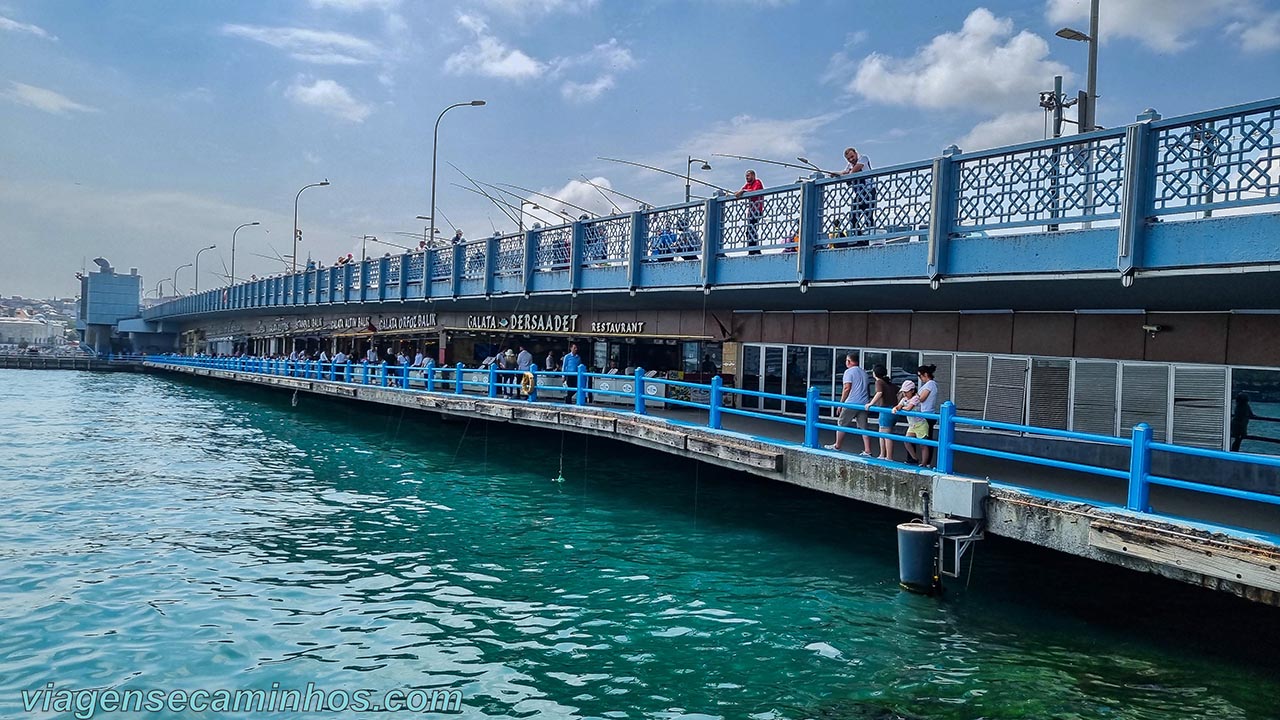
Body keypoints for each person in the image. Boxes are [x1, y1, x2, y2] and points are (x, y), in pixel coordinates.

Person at [824, 354, 872, 455]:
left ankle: (837, 445)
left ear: (849, 361)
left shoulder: (848, 372)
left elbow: (847, 388)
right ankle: (868, 450)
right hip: (863, 403)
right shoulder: (864, 372)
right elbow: (867, 388)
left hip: (851, 403)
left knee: (841, 424)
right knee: (864, 428)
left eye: (846, 360)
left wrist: (841, 403)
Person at [839, 147, 875, 240]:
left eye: (852, 157)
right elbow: (845, 172)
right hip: (859, 193)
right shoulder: (850, 165)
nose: (851, 159)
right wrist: (836, 174)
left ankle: (871, 237)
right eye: (848, 159)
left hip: (869, 192)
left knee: (868, 216)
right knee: (853, 217)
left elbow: (854, 171)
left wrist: (844, 174)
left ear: (856, 153)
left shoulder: (863, 158)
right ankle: (859, 238)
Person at [866, 365, 898, 460]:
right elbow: (899, 391)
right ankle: (882, 454)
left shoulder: (879, 382)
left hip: (885, 411)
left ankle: (888, 457)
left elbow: (879, 393)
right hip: (892, 410)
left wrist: (870, 403)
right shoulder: (889, 383)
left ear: (875, 373)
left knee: (886, 434)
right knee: (882, 432)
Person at [894, 380, 929, 458]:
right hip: (912, 425)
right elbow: (899, 405)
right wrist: (896, 408)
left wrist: (901, 408)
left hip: (921, 424)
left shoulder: (916, 398)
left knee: (923, 445)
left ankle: (924, 464)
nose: (905, 394)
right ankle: (915, 458)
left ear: (912, 390)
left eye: (906, 391)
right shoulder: (904, 399)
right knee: (907, 441)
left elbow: (909, 408)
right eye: (903, 392)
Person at [734, 169, 765, 255]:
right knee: (750, 230)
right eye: (746, 176)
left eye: (748, 176)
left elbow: (754, 191)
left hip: (757, 210)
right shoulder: (747, 185)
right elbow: (741, 191)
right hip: (751, 211)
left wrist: (743, 191)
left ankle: (753, 250)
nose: (747, 178)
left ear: (753, 176)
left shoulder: (757, 182)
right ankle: (754, 250)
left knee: (752, 230)